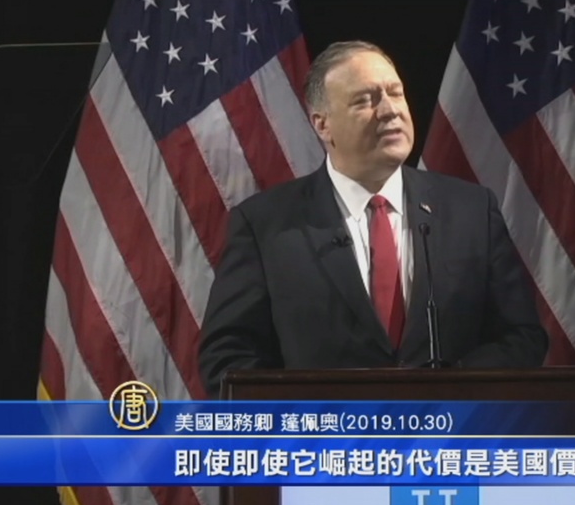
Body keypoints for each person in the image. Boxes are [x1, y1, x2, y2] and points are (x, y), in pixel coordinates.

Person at [198, 40, 547, 397]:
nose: (390, 110)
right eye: (365, 100)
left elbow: (521, 337)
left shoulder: (472, 210)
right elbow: (226, 358)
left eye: (395, 93)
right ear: (322, 125)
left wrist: (446, 394)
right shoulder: (265, 225)